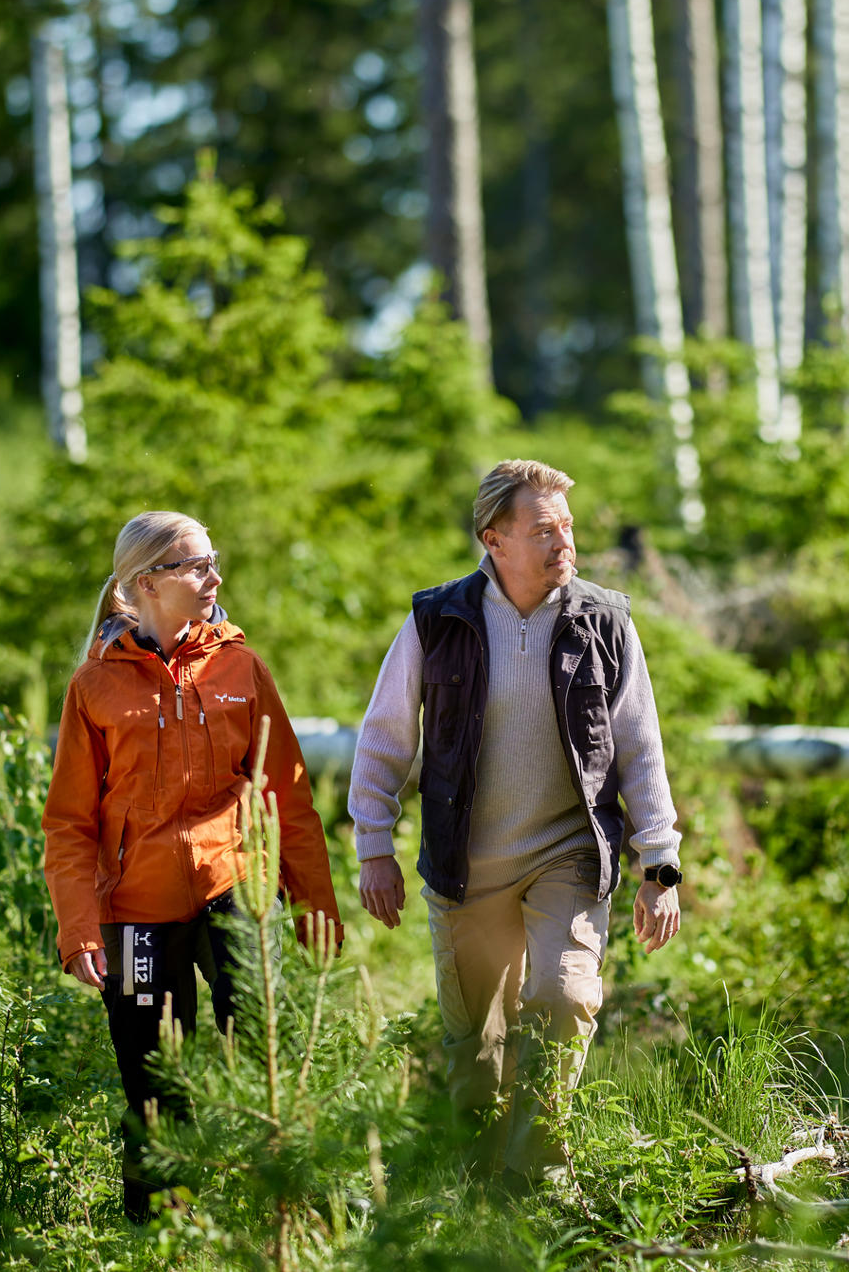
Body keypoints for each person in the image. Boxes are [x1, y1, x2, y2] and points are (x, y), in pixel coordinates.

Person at [348, 459, 683, 1182]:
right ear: (493, 538)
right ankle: (479, 1194)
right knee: (477, 1051)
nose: (563, 542)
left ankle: (541, 1171)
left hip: (568, 852)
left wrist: (660, 868)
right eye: (542, 530)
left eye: (567, 526)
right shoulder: (437, 620)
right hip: (467, 865)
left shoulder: (605, 621)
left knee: (565, 996)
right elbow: (384, 738)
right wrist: (373, 844)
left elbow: (641, 750)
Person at [42, 510, 342, 1222]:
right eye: (196, 566)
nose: (215, 577)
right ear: (146, 582)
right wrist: (80, 932)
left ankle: (296, 1220)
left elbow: (289, 797)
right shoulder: (95, 688)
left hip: (229, 888)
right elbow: (69, 825)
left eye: (213, 561)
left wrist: (316, 905)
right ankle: (162, 1241)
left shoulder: (241, 667)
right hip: (136, 917)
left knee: (266, 1053)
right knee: (154, 1085)